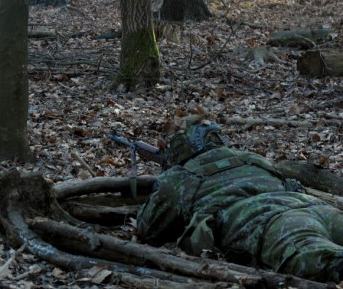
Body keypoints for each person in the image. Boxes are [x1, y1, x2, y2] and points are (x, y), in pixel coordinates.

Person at [137, 120, 343, 282]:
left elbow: (149, 230)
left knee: (330, 264)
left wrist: (163, 186)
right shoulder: (251, 158)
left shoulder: (181, 177)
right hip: (318, 207)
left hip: (274, 224)